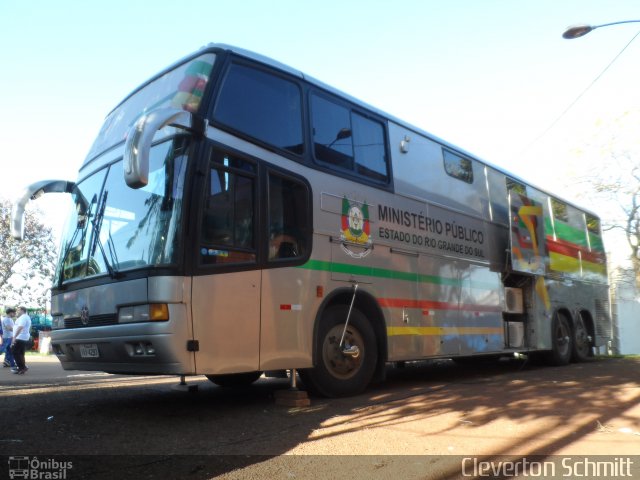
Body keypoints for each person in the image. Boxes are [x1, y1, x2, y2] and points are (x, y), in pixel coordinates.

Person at [11, 306, 31, 374]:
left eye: (18, 310)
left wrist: (14, 337)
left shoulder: (23, 317)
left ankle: (21, 367)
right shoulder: (25, 317)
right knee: (20, 353)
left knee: (15, 352)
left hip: (20, 337)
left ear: (22, 310)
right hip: (22, 337)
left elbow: (20, 327)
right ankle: (22, 367)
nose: (17, 312)